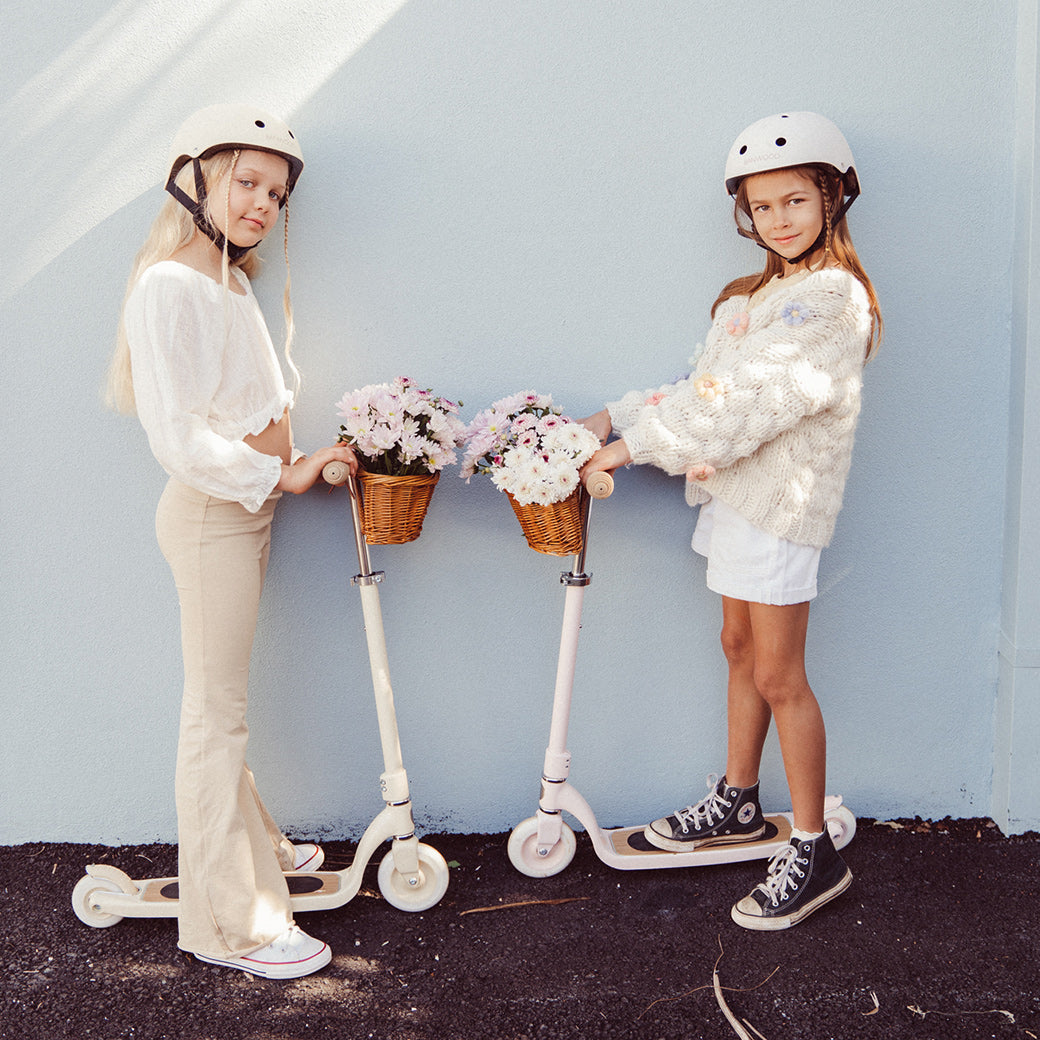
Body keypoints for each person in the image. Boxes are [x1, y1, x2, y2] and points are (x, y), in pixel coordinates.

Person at [580, 112, 882, 930]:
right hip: (735, 500)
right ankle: (739, 799)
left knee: (783, 675)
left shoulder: (833, 300)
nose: (780, 219)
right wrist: (613, 417)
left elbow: (755, 404)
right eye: (764, 207)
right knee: (738, 649)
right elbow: (705, 388)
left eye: (796, 200)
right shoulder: (754, 296)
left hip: (781, 509)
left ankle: (815, 848)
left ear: (833, 198)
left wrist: (635, 448)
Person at [105, 103, 357, 976]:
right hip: (215, 517)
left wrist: (299, 461)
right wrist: (278, 475)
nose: (262, 205)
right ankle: (234, 924)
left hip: (243, 517)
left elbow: (245, 404)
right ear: (198, 180)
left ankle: (254, 845)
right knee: (216, 717)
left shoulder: (233, 280)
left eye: (276, 193)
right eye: (247, 182)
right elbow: (177, 438)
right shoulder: (169, 284)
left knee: (222, 708)